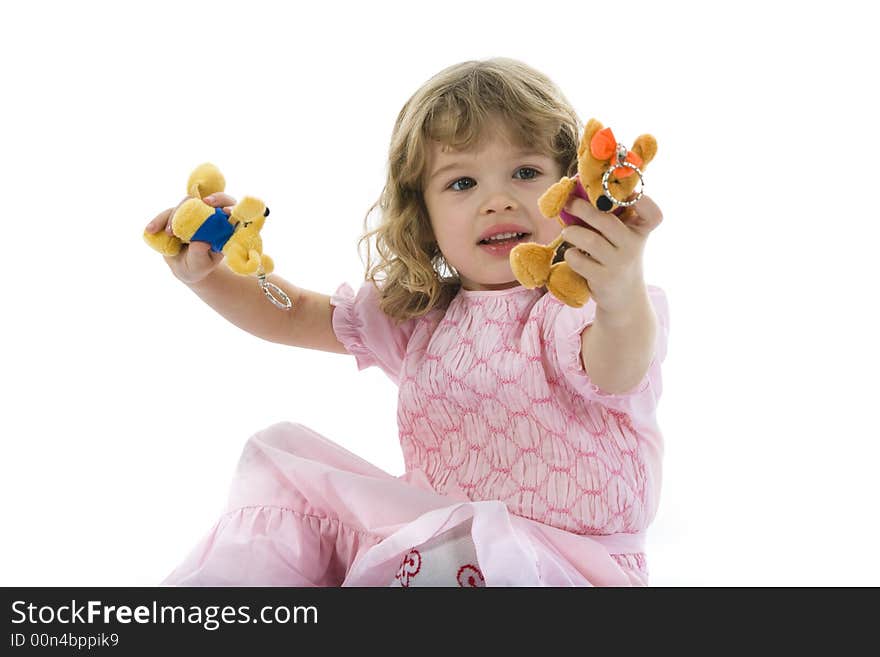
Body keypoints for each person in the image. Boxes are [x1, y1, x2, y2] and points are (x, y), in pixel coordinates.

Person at [144, 57, 669, 587]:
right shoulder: (423, 320)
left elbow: (618, 367)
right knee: (285, 458)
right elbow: (296, 313)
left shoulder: (576, 309)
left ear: (568, 190)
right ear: (424, 217)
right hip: (446, 564)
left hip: (569, 571)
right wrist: (207, 277)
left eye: (526, 173)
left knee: (470, 547)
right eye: (462, 182)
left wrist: (620, 293)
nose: (498, 200)